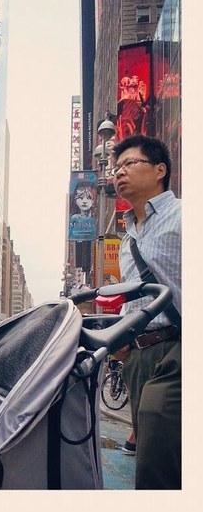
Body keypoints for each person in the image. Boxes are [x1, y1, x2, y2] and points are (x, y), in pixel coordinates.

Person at [110, 134, 181, 489]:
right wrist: (121, 338)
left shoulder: (183, 217)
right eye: (116, 167)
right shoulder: (128, 236)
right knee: (161, 451)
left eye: (129, 164)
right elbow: (136, 299)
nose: (119, 172)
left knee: (154, 436)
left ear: (159, 170)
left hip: (180, 347)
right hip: (140, 355)